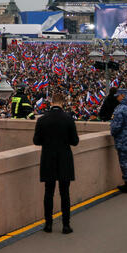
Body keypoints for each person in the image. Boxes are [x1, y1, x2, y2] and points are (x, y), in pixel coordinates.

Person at [32, 92, 79, 233]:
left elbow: (36, 141)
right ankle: (66, 225)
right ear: (63, 103)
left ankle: (48, 225)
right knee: (65, 193)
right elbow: (75, 141)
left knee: (48, 192)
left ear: (51, 103)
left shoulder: (42, 120)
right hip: (65, 158)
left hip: (48, 158)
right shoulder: (68, 119)